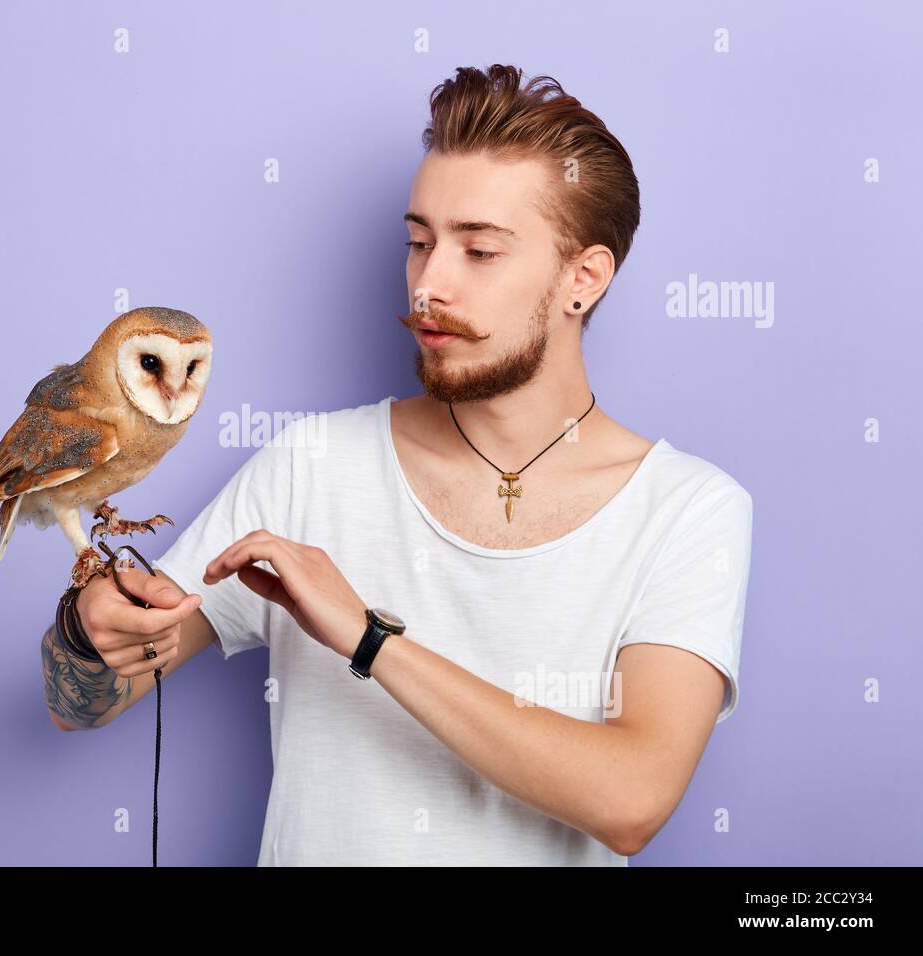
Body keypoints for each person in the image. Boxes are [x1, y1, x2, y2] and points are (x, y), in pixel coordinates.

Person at [41, 63, 754, 866]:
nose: (427, 286)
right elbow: (84, 706)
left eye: (478, 252)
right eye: (419, 243)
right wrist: (86, 631)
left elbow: (632, 800)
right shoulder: (311, 465)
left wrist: (367, 638)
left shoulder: (689, 509)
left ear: (581, 280)